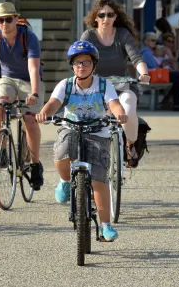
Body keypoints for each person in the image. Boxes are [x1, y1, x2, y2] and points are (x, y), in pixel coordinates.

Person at [36, 41, 127, 243]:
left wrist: (120, 114)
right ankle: (65, 182)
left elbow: (114, 104)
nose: (81, 66)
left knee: (98, 180)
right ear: (72, 65)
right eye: (77, 63)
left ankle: (105, 225)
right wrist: (44, 113)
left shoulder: (104, 85)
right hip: (71, 128)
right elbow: (54, 103)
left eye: (86, 62)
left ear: (94, 64)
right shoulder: (66, 85)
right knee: (62, 152)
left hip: (98, 132)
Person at [0, 2, 44, 190]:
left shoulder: (28, 37)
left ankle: (36, 164)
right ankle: (2, 149)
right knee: (0, 105)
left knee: (30, 120)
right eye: (0, 20)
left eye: (8, 19)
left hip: (29, 80)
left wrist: (35, 94)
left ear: (15, 19)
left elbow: (33, 68)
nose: (4, 23)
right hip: (7, 79)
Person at [80, 0, 151, 167]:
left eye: (110, 15)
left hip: (123, 85)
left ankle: (130, 144)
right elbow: (80, 58)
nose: (106, 19)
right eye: (102, 15)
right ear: (95, 18)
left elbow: (135, 56)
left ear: (115, 17)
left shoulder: (122, 35)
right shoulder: (89, 36)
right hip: (97, 86)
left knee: (127, 107)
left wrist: (144, 73)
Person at [141, 32, 179, 110]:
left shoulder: (150, 52)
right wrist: (163, 62)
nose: (155, 42)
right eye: (152, 40)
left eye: (156, 40)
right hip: (151, 76)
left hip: (153, 75)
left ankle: (178, 103)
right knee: (176, 75)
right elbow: (155, 67)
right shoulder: (146, 53)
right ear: (146, 42)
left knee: (176, 78)